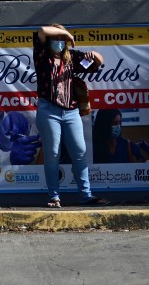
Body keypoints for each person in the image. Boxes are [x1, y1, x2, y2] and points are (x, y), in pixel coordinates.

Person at [32, 24, 108, 208]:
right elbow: (42, 31)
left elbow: (99, 62)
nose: (59, 42)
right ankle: (54, 197)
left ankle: (86, 195)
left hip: (71, 110)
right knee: (53, 153)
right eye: (56, 38)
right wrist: (66, 33)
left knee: (80, 152)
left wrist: (93, 55)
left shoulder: (71, 57)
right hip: (48, 109)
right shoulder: (42, 54)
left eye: (62, 39)